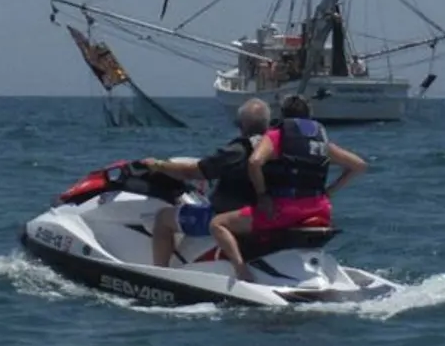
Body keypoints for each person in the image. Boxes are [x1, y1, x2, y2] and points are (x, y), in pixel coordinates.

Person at [209, 94, 367, 281]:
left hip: (284, 211)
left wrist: (262, 195)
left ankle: (242, 271)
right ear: (309, 115)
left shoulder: (277, 136)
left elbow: (255, 162)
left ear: (282, 114)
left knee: (217, 223)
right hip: (320, 210)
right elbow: (359, 165)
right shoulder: (321, 142)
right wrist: (330, 191)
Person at [145, 98, 271, 267]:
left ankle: (159, 274)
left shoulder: (236, 151)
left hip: (224, 216)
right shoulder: (273, 150)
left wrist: (157, 165)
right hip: (259, 216)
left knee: (163, 218)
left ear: (242, 126)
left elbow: (190, 172)